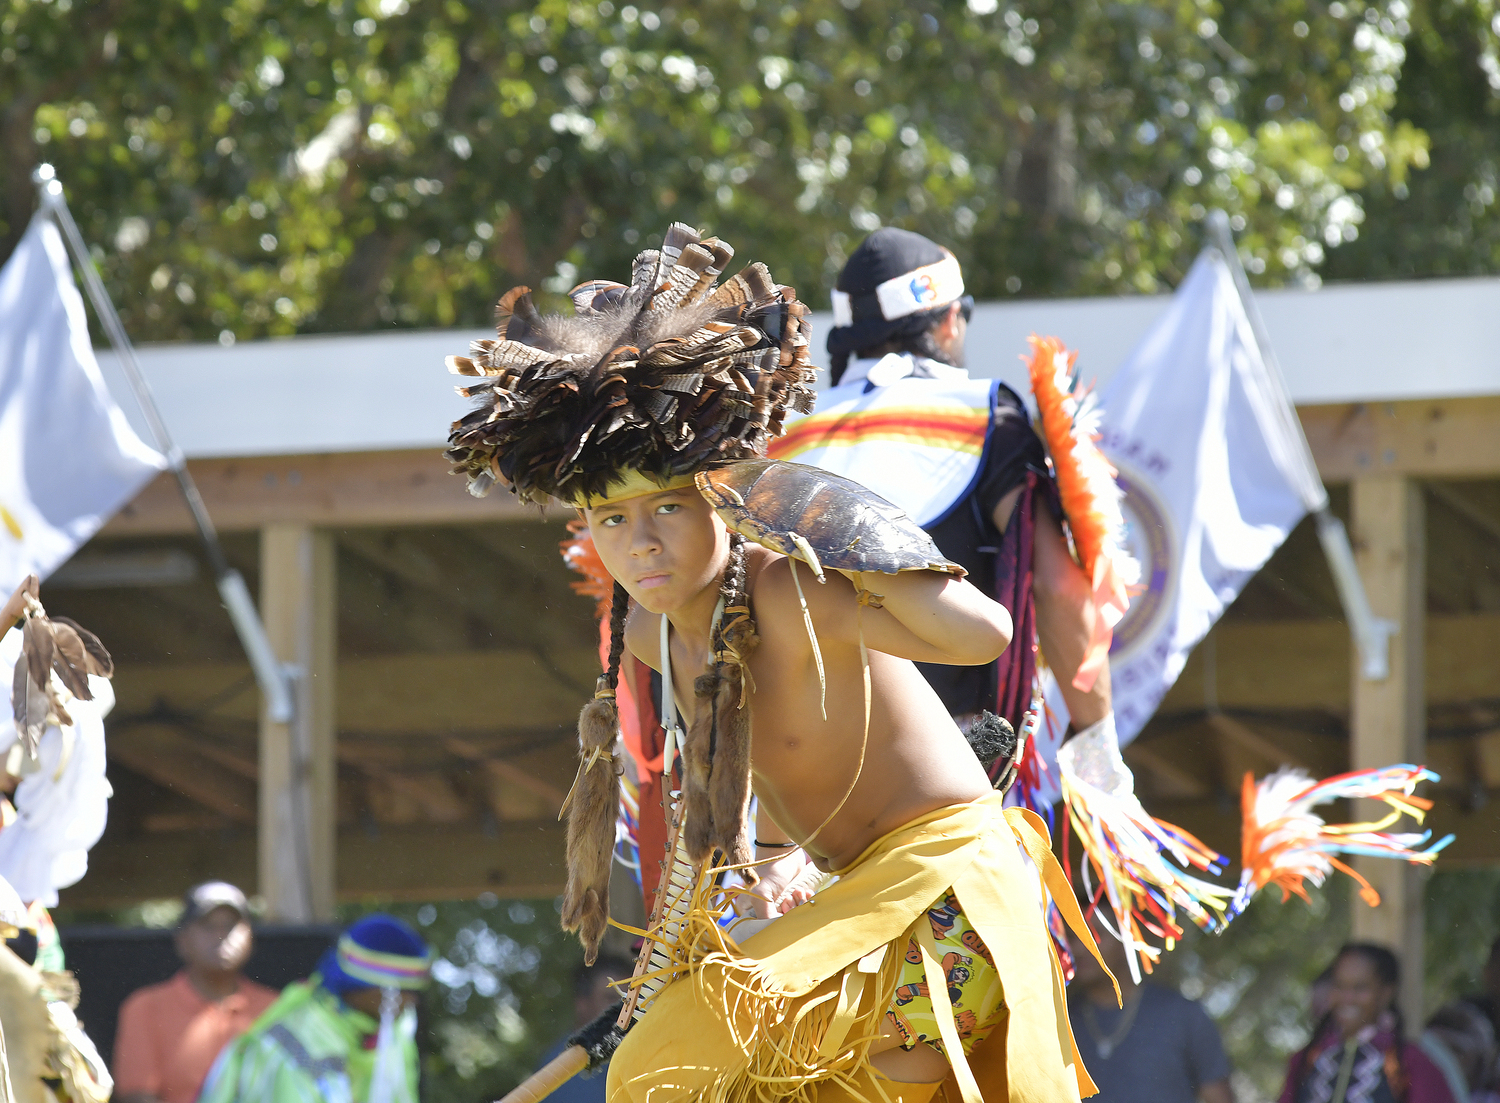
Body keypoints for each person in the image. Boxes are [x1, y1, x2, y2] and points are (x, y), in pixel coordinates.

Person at [444, 223, 1111, 1103]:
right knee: (685, 1070)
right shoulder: (653, 637)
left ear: (722, 491)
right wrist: (757, 878)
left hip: (946, 898)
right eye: (611, 520)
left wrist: (827, 516)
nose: (640, 545)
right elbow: (738, 792)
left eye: (667, 509)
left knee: (663, 1074)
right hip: (860, 906)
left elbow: (982, 633)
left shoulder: (791, 589)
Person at [197, 913, 431, 1103]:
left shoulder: (393, 1032)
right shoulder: (295, 1046)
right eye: (402, 992)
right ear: (361, 986)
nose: (411, 1002)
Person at [112, 882, 277, 1103]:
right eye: (208, 925)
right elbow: (137, 1096)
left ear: (250, 938)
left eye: (230, 925)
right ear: (182, 940)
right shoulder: (145, 1007)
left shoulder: (277, 1008)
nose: (220, 935)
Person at [1066, 912, 1233, 1103]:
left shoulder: (1182, 1015)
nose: (1079, 948)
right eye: (1073, 936)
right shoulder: (1058, 1023)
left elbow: (1218, 1096)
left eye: (1095, 935)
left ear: (1126, 938)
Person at [1280, 944, 1457, 1103]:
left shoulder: (1409, 1063)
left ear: (1386, 992)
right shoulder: (1307, 1059)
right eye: (1339, 986)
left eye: (1360, 988)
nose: (1347, 998)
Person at [537, 956, 635, 1103]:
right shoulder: (558, 1069)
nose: (626, 1008)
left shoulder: (633, 1053)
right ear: (582, 1004)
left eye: (631, 999)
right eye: (611, 998)